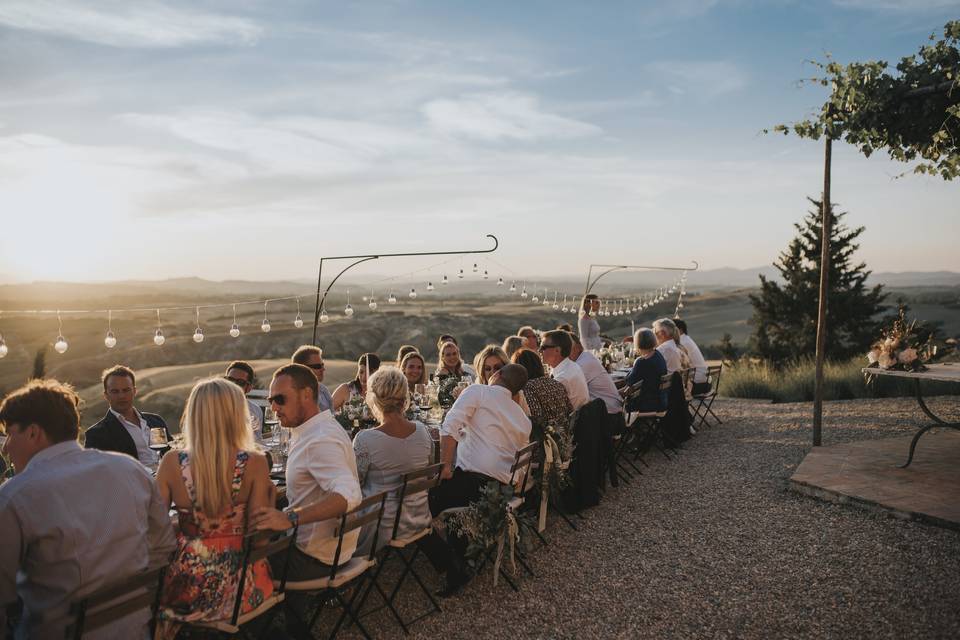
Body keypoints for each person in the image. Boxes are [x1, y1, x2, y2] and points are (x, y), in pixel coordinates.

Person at [0, 379, 176, 639]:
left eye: (10, 433)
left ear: (33, 433)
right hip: (136, 629)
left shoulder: (15, 496)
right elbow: (163, 547)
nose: (5, 446)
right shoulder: (131, 469)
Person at [154, 378, 274, 639]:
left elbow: (155, 531)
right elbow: (260, 536)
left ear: (194, 415)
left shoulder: (171, 462)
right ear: (236, 414)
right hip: (241, 585)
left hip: (186, 586)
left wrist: (182, 525)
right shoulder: (255, 461)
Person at [427, 364, 532, 595]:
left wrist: (445, 467)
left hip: (472, 486)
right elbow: (519, 472)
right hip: (502, 492)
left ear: (497, 375)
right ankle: (460, 557)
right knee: (453, 490)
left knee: (413, 508)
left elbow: (450, 425)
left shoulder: (479, 391)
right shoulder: (524, 419)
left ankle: (449, 562)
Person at [250, 364, 362, 581]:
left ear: (307, 395)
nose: (273, 408)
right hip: (335, 549)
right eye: (271, 400)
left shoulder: (319, 439)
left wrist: (289, 518)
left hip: (312, 557)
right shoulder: (319, 428)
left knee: (236, 563)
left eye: (280, 399)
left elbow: (350, 493)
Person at [352, 368, 432, 556]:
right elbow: (428, 472)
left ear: (374, 399)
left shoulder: (365, 440)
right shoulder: (422, 431)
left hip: (381, 525)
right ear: (405, 398)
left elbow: (354, 484)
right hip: (418, 518)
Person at [84, 365, 170, 467]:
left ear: (134, 391)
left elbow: (170, 453)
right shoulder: (96, 434)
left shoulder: (156, 421)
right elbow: (97, 472)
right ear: (106, 395)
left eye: (126, 390)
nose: (121, 396)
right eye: (115, 391)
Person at [512, 348, 572, 428]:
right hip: (568, 434)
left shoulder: (528, 388)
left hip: (551, 438)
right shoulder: (555, 382)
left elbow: (536, 419)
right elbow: (570, 410)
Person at [570, 333, 624, 416]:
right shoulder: (585, 357)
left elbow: (570, 392)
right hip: (612, 409)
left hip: (609, 415)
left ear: (577, 348)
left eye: (567, 348)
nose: (564, 352)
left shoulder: (583, 363)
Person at [539, 330, 589, 410]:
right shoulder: (572, 366)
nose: (539, 351)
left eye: (543, 347)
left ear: (557, 350)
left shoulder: (562, 379)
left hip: (573, 421)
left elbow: (553, 411)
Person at [624, 329, 668, 412]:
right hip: (661, 400)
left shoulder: (641, 362)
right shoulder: (658, 354)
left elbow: (629, 381)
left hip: (647, 404)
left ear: (637, 343)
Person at [224, 360, 264, 443]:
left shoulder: (255, 411)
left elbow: (257, 442)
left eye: (240, 382)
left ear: (249, 388)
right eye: (230, 379)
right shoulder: (213, 407)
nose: (233, 385)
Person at [292, 345, 334, 412]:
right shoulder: (292, 393)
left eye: (322, 365)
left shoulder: (323, 390)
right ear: (302, 369)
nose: (323, 369)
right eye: (317, 366)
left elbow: (332, 416)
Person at [675, 319, 710, 394]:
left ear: (679, 330)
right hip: (704, 382)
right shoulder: (687, 339)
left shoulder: (682, 342)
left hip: (697, 384)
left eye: (672, 329)